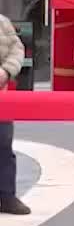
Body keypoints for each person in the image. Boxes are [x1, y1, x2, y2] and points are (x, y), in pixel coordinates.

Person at [0, 13, 29, 215]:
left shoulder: (2, 22)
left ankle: (7, 196)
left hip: (2, 99)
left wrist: (6, 71)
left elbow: (17, 49)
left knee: (4, 146)